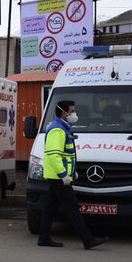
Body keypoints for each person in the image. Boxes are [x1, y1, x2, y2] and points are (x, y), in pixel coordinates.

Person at [40, 100, 109, 250]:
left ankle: (43, 237)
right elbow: (54, 155)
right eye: (71, 111)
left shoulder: (62, 128)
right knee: (72, 208)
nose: (74, 114)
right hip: (58, 177)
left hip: (57, 176)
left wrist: (71, 172)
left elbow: (66, 156)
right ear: (63, 113)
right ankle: (88, 239)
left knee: (50, 207)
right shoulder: (58, 130)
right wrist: (64, 174)